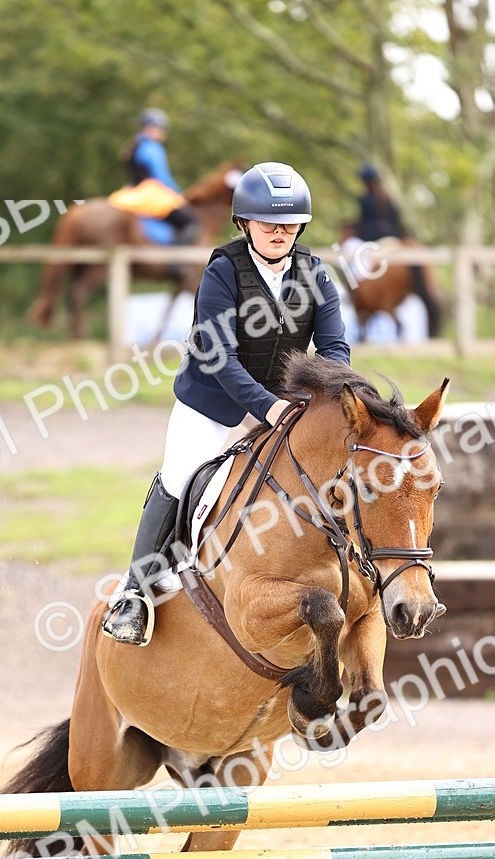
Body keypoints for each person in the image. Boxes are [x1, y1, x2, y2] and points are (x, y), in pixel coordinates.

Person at [102, 160, 352, 647]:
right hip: (214, 405)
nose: (279, 232)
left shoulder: (316, 274)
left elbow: (336, 348)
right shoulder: (222, 272)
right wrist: (267, 407)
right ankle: (135, 593)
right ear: (245, 224)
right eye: (267, 224)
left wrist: (326, 394)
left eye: (288, 225)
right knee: (178, 475)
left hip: (285, 406)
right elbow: (218, 354)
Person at [119, 107, 199, 244]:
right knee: (190, 221)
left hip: (131, 192)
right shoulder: (153, 148)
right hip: (152, 193)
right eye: (161, 128)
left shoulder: (134, 145)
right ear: (149, 127)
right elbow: (162, 177)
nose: (163, 132)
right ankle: (176, 262)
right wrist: (179, 194)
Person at [355, 163, 404, 242]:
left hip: (373, 238)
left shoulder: (365, 200)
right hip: (392, 235)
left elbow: (364, 223)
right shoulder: (389, 198)